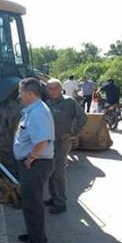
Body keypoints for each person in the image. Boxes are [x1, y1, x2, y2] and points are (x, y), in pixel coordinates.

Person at [13, 77, 55, 243]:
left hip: (36, 164)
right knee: (33, 203)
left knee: (32, 204)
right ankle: (36, 235)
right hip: (36, 163)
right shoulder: (34, 110)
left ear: (29, 93)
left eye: (20, 91)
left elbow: (42, 141)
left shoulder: (38, 112)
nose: (19, 95)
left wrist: (31, 158)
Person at [45, 79, 87, 214]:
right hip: (50, 142)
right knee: (50, 171)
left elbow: (83, 117)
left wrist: (73, 134)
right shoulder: (47, 103)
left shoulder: (69, 102)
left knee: (58, 173)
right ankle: (53, 197)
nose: (52, 91)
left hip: (63, 143)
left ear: (60, 88)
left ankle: (60, 203)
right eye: (49, 88)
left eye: (55, 88)